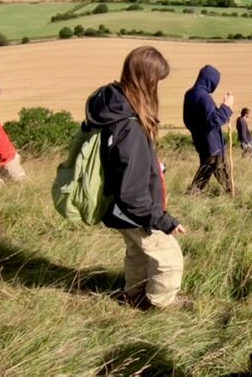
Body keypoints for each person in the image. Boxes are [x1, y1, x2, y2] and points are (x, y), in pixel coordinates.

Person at [85, 46, 186, 310]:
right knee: (169, 258)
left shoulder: (114, 106)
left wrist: (152, 167)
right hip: (133, 209)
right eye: (156, 81)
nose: (157, 88)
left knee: (138, 252)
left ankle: (132, 296)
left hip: (116, 206)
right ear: (146, 80)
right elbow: (131, 191)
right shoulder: (129, 125)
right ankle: (158, 306)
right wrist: (163, 220)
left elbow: (124, 163)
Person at [183, 65, 234, 195]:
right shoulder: (204, 97)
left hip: (200, 142)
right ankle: (236, 199)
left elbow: (188, 120)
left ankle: (192, 195)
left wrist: (197, 131)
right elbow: (213, 120)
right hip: (213, 144)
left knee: (205, 171)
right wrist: (226, 107)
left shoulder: (190, 94)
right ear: (211, 81)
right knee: (225, 175)